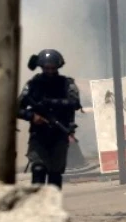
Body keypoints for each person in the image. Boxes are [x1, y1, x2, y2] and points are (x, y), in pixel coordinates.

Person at [18, 49, 82, 189]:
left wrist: (51, 102)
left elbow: (75, 103)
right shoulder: (32, 85)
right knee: (39, 169)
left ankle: (51, 207)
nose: (50, 70)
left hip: (59, 134)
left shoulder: (66, 83)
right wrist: (32, 116)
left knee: (55, 174)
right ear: (41, 66)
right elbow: (16, 108)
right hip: (38, 134)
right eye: (47, 67)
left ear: (58, 66)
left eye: (53, 67)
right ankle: (37, 206)